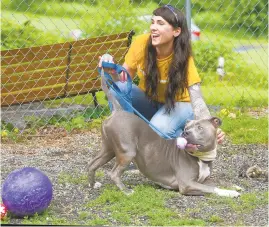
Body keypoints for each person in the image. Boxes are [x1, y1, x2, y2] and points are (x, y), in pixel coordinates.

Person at [99, 4, 225, 145]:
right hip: (150, 101)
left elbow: (196, 97)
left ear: (176, 31)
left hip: (180, 104)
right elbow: (122, 81)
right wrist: (111, 69)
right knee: (118, 91)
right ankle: (126, 143)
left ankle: (180, 137)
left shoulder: (183, 56)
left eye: (160, 23)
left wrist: (210, 127)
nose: (153, 27)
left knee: (157, 131)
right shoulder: (141, 43)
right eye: (153, 22)